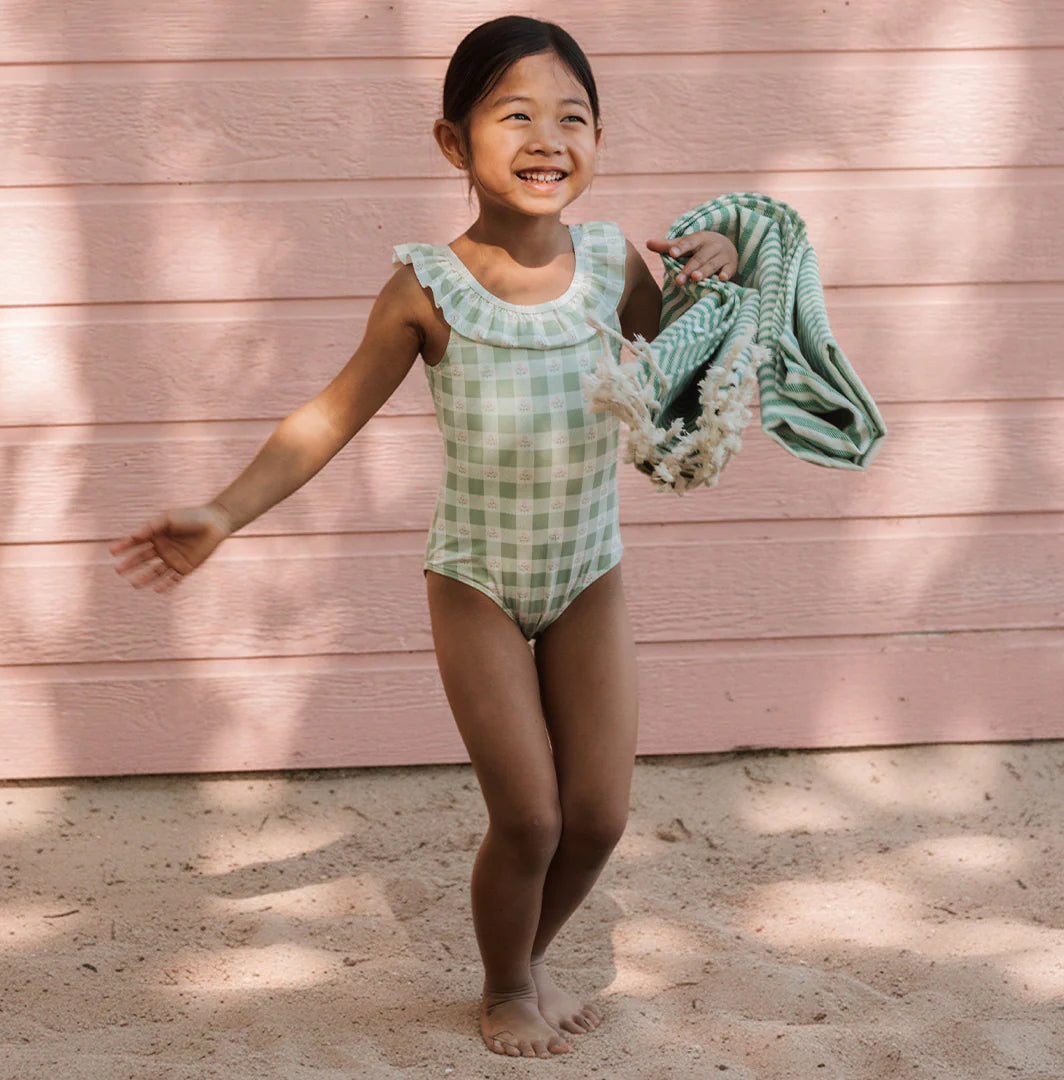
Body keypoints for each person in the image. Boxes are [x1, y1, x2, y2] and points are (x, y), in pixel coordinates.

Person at [111, 15, 738, 1060]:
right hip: (478, 582)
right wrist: (224, 510)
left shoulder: (609, 264)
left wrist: (717, 269)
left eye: (574, 117)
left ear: (600, 138)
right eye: (517, 115)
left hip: (589, 576)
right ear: (455, 143)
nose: (549, 138)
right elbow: (326, 416)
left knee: (597, 816)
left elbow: (685, 357)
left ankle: (533, 957)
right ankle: (503, 986)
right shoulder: (428, 288)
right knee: (530, 816)